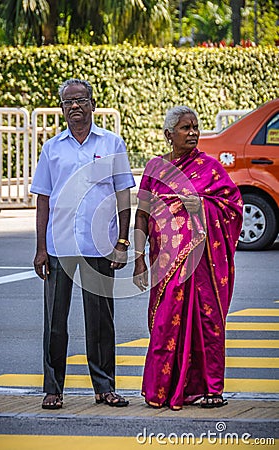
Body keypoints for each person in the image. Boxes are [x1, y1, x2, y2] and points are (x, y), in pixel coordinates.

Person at [30, 78, 135, 409]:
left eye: (80, 100)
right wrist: (40, 249)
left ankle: (104, 387)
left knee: (101, 321)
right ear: (62, 108)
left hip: (99, 245)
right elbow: (43, 200)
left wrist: (122, 241)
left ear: (92, 103)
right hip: (59, 245)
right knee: (55, 322)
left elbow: (123, 194)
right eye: (68, 102)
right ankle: (53, 388)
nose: (75, 106)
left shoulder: (112, 142)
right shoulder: (52, 148)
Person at [133, 106, 243, 411]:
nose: (193, 132)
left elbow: (233, 208)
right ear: (169, 135)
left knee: (208, 321)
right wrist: (139, 258)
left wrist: (202, 207)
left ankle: (211, 388)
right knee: (166, 323)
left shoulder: (209, 168)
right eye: (185, 128)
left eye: (195, 127)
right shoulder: (155, 169)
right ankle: (161, 390)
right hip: (166, 264)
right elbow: (142, 216)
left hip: (204, 264)